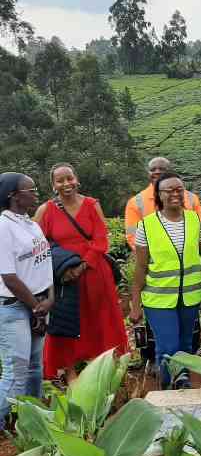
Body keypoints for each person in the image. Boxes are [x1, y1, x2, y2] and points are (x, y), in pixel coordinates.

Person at [33, 163, 128, 383]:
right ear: (53, 185)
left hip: (94, 273)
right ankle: (70, 374)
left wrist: (82, 266)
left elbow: (101, 240)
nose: (66, 184)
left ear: (77, 179)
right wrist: (62, 267)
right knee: (68, 322)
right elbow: (37, 243)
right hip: (65, 278)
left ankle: (102, 372)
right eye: (60, 180)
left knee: (99, 321)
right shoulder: (46, 210)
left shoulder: (92, 205)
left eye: (69, 178)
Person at [129, 172, 201, 389]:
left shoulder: (194, 220)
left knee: (186, 344)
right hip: (158, 298)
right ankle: (172, 386)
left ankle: (181, 385)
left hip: (189, 296)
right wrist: (135, 305)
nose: (175, 194)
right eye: (169, 190)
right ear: (159, 195)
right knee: (167, 346)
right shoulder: (147, 225)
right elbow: (141, 267)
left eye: (179, 190)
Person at [0, 173, 53, 430]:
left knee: (35, 368)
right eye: (30, 190)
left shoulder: (31, 224)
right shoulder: (3, 227)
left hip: (40, 304)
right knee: (15, 373)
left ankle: (32, 423)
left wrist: (49, 298)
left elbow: (44, 263)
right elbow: (9, 276)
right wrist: (35, 306)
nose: (36, 193)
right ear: (13, 195)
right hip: (15, 307)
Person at [125, 157, 201, 250]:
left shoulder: (192, 198)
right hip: (155, 260)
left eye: (162, 169)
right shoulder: (135, 202)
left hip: (189, 256)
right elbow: (132, 235)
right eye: (152, 169)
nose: (157, 172)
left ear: (171, 172)